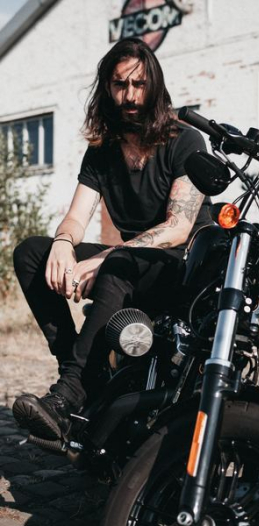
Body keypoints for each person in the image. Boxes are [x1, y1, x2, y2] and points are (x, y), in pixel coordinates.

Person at [12, 37, 212, 441]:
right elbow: (75, 216)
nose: (130, 96)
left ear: (153, 86)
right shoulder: (102, 151)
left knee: (117, 262)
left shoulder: (185, 141)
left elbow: (178, 227)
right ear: (107, 88)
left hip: (183, 269)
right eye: (120, 85)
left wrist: (104, 259)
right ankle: (85, 371)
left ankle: (69, 394)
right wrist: (64, 245)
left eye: (139, 85)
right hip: (129, 264)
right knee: (32, 252)